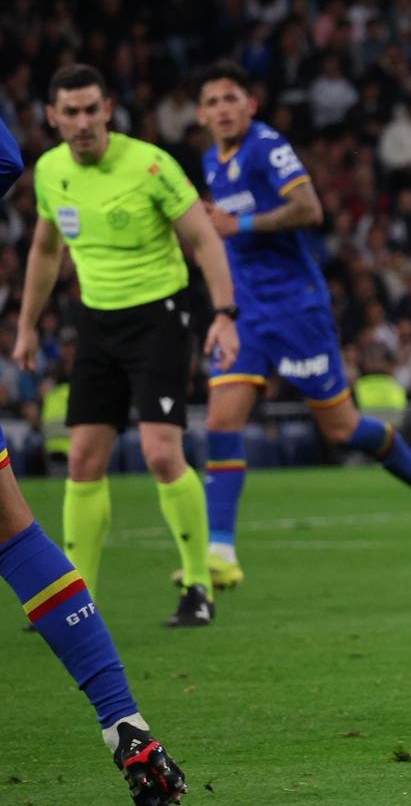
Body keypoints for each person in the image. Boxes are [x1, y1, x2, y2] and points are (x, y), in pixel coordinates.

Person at [190, 61, 411, 589]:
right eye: (213, 101)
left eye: (231, 98)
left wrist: (238, 223)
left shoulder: (267, 147)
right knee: (222, 422)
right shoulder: (211, 160)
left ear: (251, 104)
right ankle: (220, 553)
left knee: (339, 428)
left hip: (297, 308)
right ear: (201, 114)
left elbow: (309, 209)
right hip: (246, 312)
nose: (223, 109)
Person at [0, 112, 188, 804]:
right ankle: (124, 722)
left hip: (148, 317)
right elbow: (5, 159)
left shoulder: (141, 164)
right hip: (112, 326)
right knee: (16, 534)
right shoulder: (43, 167)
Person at [15, 64, 240, 629]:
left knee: (162, 453)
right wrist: (25, 326)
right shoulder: (50, 171)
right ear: (52, 117)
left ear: (109, 108)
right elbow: (45, 252)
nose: (83, 122)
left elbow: (203, 239)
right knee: (84, 458)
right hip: (96, 322)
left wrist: (225, 314)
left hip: (160, 317)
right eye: (71, 112)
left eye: (93, 109)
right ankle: (74, 599)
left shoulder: (151, 165)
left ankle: (197, 586)